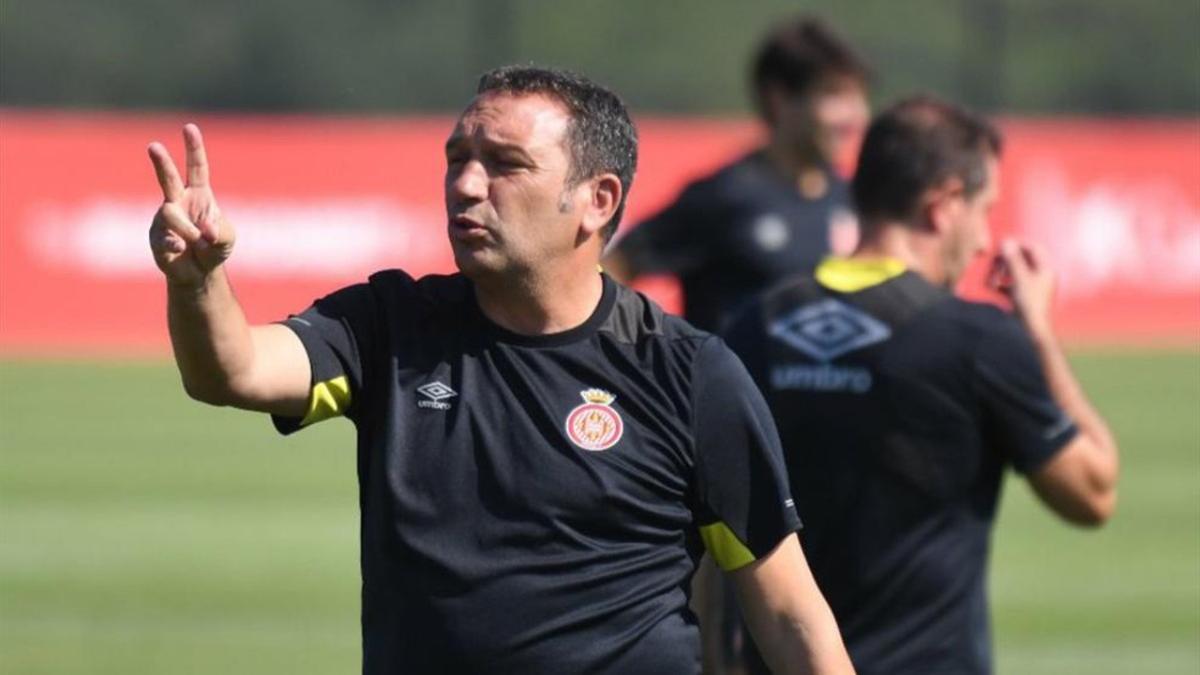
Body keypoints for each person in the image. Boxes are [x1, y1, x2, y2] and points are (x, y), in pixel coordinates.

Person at [146, 66, 854, 674]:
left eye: (505, 164)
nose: (466, 184)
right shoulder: (388, 325)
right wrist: (195, 282)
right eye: (457, 157)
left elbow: (791, 613)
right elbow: (230, 372)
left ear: (596, 200)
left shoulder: (690, 373)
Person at [721, 96, 1120, 674]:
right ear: (945, 204)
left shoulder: (753, 325)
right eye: (985, 210)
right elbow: (1093, 492)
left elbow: (713, 516)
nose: (985, 240)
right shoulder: (976, 340)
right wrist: (1037, 331)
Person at [603, 15, 870, 333]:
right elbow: (616, 267)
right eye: (834, 95)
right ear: (780, 98)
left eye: (859, 97)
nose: (854, 116)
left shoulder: (855, 199)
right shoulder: (727, 195)